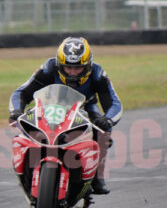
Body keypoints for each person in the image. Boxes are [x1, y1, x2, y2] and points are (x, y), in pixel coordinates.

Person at [9, 37, 122, 194]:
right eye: (68, 67)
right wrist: (16, 111)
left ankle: (97, 177)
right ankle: (27, 167)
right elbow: (21, 92)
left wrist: (107, 120)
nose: (72, 73)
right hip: (49, 104)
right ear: (59, 64)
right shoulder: (48, 69)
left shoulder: (98, 75)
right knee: (25, 124)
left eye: (78, 68)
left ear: (88, 65)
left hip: (85, 107)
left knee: (103, 133)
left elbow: (115, 104)